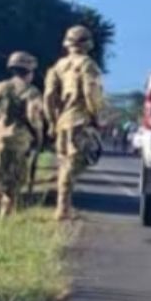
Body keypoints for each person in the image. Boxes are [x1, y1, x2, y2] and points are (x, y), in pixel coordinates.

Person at [44, 25, 106, 221]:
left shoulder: (58, 66)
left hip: (62, 120)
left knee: (64, 162)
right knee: (73, 164)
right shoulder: (88, 65)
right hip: (80, 119)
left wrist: (52, 121)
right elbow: (91, 92)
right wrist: (96, 116)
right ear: (88, 44)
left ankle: (63, 206)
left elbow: (49, 96)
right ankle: (63, 209)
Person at [0, 51, 46, 219]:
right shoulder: (32, 92)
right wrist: (38, 137)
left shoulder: (2, 86)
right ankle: (5, 217)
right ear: (29, 71)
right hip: (19, 142)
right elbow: (34, 118)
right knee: (13, 182)